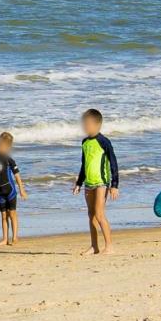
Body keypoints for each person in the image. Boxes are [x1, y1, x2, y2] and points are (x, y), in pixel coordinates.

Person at [72, 109, 120, 255]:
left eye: (87, 124)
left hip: (102, 183)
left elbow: (113, 163)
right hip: (89, 183)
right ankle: (94, 246)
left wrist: (114, 185)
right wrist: (79, 183)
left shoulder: (104, 141)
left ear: (97, 125)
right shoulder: (85, 142)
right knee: (91, 215)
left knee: (99, 214)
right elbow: (84, 164)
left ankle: (109, 246)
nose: (85, 127)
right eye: (84, 124)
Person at [0, 132, 27, 246]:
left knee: (12, 214)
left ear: (8, 147)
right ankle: (4, 239)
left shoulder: (9, 160)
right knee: (3, 216)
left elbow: (17, 176)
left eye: (4, 146)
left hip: (11, 191)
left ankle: (15, 237)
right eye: (0, 145)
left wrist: (22, 190)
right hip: (0, 193)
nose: (1, 148)